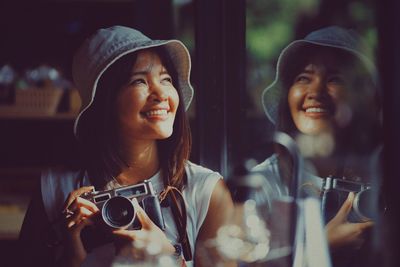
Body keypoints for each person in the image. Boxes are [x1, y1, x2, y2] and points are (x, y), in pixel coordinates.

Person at [18, 25, 234, 267]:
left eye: (166, 79)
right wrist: (73, 253)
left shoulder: (206, 192)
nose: (161, 93)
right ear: (104, 102)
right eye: (139, 81)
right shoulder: (55, 188)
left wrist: (168, 257)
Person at [253, 26, 382, 267]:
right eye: (303, 78)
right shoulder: (262, 183)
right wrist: (323, 244)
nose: (315, 91)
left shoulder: (382, 172)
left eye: (335, 79)